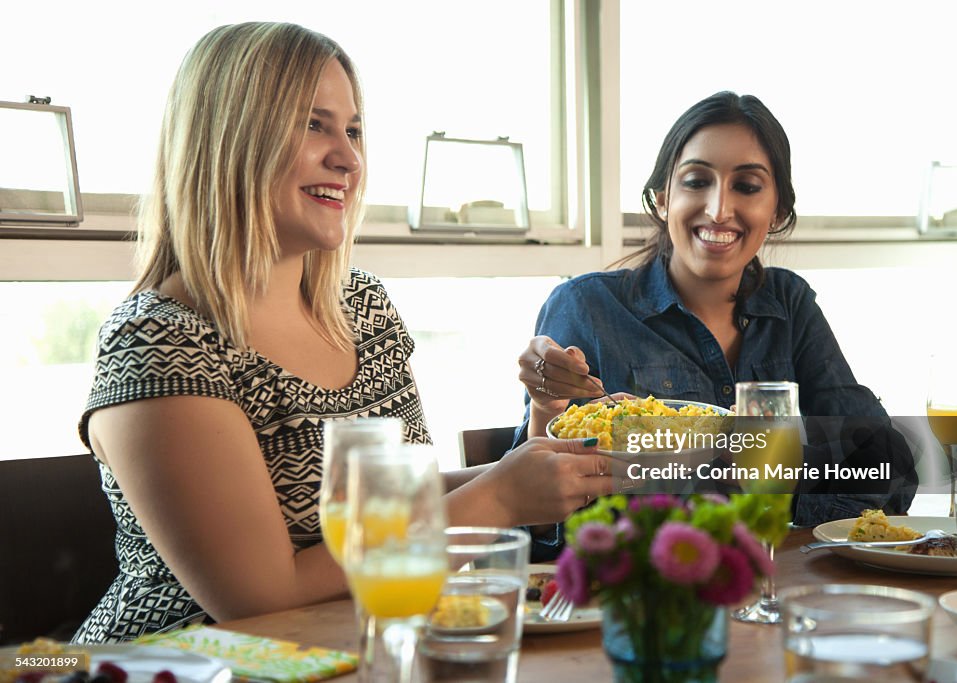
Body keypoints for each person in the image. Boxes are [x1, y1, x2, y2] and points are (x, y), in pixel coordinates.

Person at [74, 22, 613, 643]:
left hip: (360, 650)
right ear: (228, 138)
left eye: (352, 130)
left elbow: (396, 510)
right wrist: (498, 496)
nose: (348, 158)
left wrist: (541, 460)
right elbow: (259, 598)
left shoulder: (363, 307)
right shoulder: (160, 341)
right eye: (313, 124)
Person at [515, 91, 916, 536]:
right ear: (663, 198)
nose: (719, 210)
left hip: (776, 587)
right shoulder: (584, 308)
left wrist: (781, 512)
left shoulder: (790, 306)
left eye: (746, 186)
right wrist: (542, 408)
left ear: (777, 209)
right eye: (696, 181)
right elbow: (536, 520)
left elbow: (885, 464)